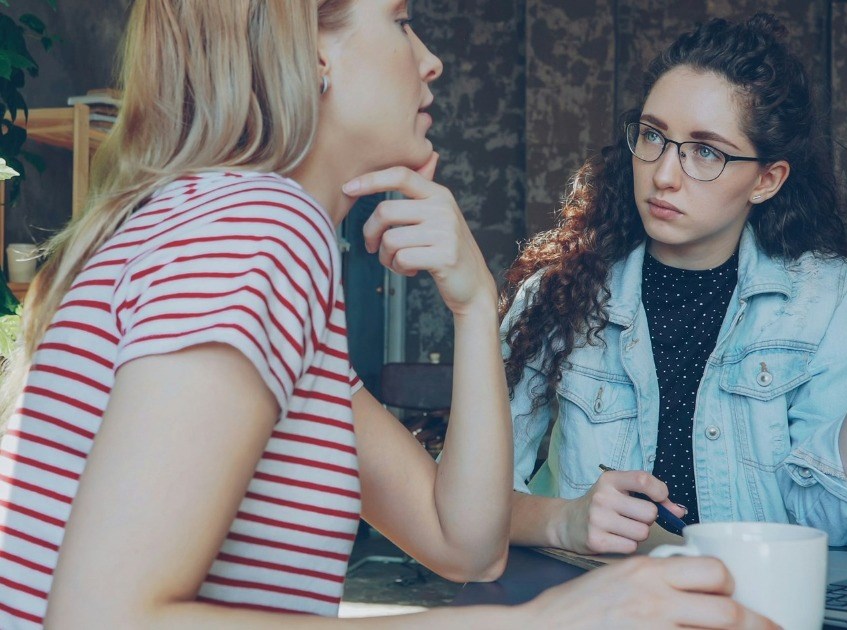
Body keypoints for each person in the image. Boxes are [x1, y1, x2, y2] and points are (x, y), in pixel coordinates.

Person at [0, 2, 775, 628]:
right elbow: (102, 616)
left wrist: (473, 304)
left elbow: (464, 542)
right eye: (402, 20)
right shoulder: (258, 226)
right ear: (313, 53)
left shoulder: (228, 227)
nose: (430, 59)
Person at [503, 13, 847, 554]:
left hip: (762, 605)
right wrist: (567, 519)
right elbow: (468, 507)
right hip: (607, 604)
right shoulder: (560, 293)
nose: (664, 173)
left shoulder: (824, 296)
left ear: (767, 180)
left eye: (706, 151)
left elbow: (837, 519)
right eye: (653, 136)